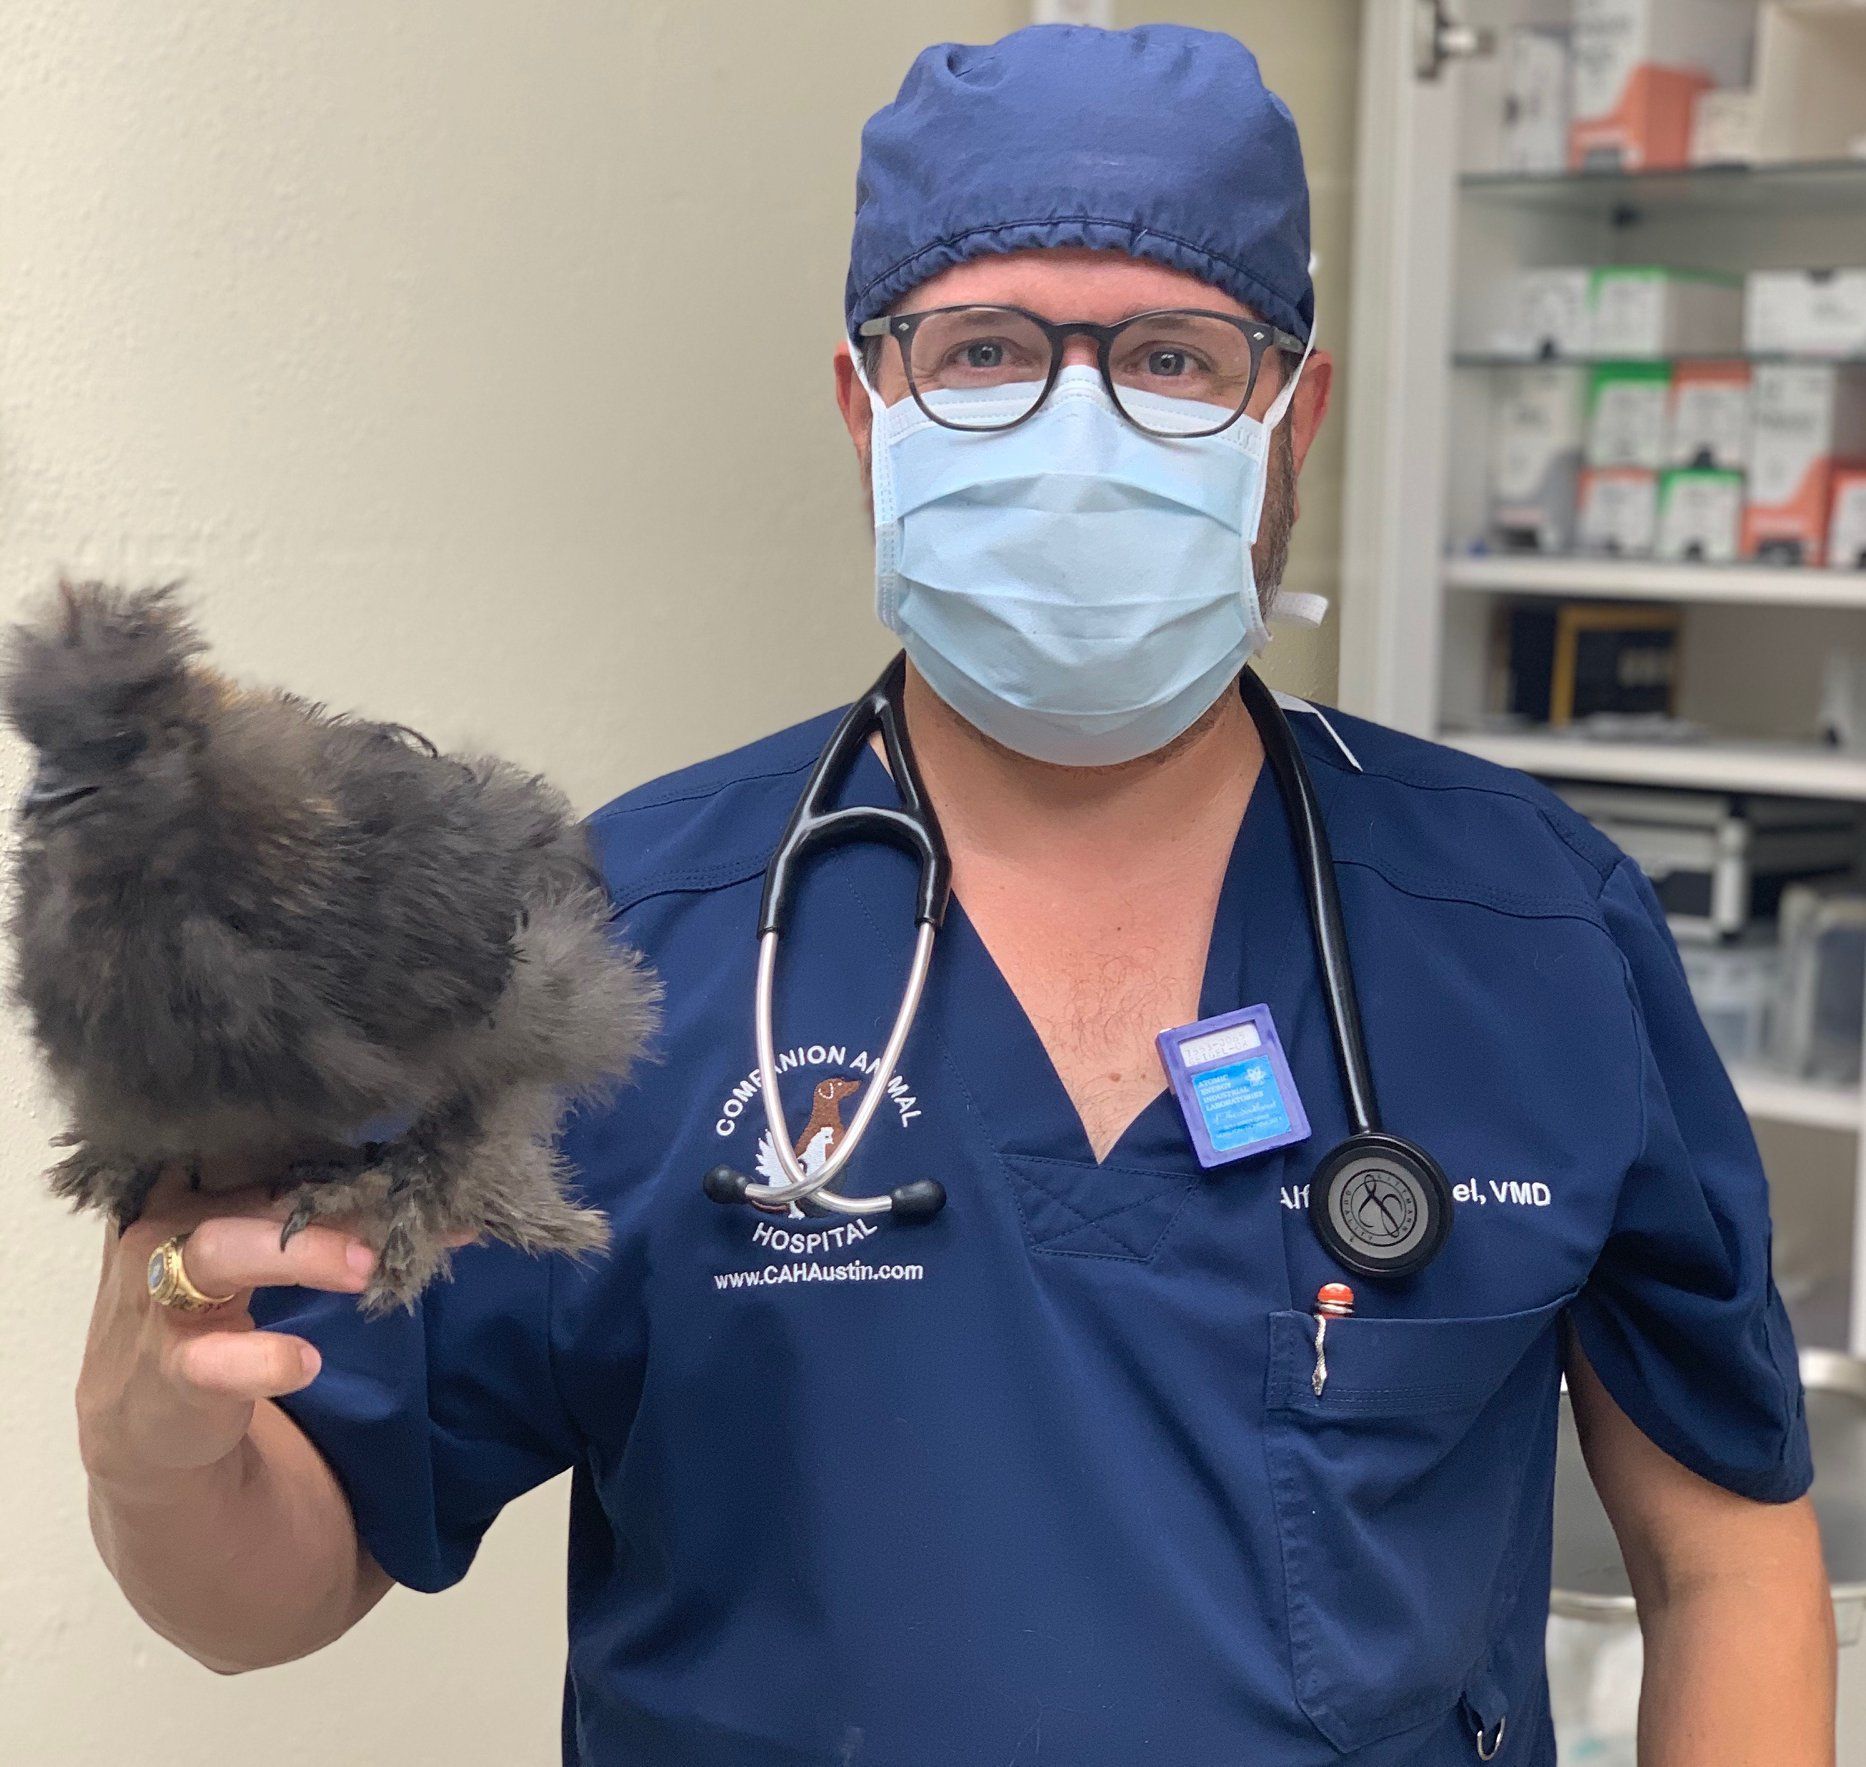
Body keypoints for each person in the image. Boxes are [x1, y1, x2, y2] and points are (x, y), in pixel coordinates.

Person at [76, 23, 1835, 1766]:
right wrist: (148, 1441)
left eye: (1171, 356)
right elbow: (271, 1588)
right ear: (865, 402)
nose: (1078, 427)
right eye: (984, 350)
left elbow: (1725, 1560)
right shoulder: (603, 946)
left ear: (1293, 410)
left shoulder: (1529, 923)